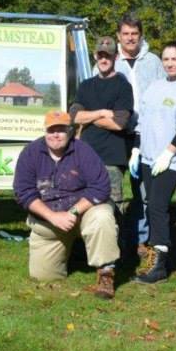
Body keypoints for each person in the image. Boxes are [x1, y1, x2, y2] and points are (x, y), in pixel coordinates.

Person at [13, 110, 120, 298]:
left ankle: (106, 271)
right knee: (43, 277)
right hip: (49, 220)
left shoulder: (83, 150)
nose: (56, 134)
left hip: (83, 213)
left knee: (102, 216)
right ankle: (72, 252)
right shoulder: (30, 153)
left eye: (61, 130)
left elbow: (101, 187)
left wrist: (72, 212)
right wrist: (53, 217)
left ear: (70, 131)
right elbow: (23, 193)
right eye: (51, 130)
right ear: (45, 131)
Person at [134, 41, 176, 283]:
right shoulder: (154, 87)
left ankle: (161, 264)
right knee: (150, 205)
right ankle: (155, 253)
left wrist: (169, 153)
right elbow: (142, 121)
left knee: (157, 205)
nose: (170, 63)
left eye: (175, 58)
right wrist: (136, 150)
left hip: (171, 159)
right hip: (147, 156)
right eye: (165, 59)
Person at [113, 13, 165, 257]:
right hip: (114, 133)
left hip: (145, 133)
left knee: (144, 190)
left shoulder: (154, 61)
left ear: (141, 36)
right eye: (126, 34)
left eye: (134, 34)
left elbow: (164, 93)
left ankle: (142, 239)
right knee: (111, 188)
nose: (130, 38)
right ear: (118, 36)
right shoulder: (109, 61)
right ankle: (112, 237)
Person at [71, 35, 133, 216]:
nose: (104, 59)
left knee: (112, 208)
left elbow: (119, 123)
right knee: (82, 205)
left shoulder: (123, 86)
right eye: (101, 55)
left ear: (116, 57)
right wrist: (101, 113)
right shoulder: (85, 86)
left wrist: (88, 116)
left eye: (108, 55)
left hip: (112, 160)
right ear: (95, 56)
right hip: (84, 157)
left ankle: (117, 244)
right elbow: (74, 117)